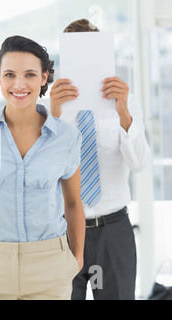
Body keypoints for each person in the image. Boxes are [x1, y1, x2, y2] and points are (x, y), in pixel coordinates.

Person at [0, 35, 85, 300]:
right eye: (10, 74)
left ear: (44, 78)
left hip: (50, 267)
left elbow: (73, 203)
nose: (19, 84)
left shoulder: (66, 137)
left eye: (30, 74)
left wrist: (75, 260)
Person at [49, 19, 151, 300]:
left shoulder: (126, 103)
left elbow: (140, 164)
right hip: (63, 233)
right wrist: (54, 116)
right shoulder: (50, 109)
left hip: (113, 232)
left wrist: (125, 116)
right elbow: (40, 171)